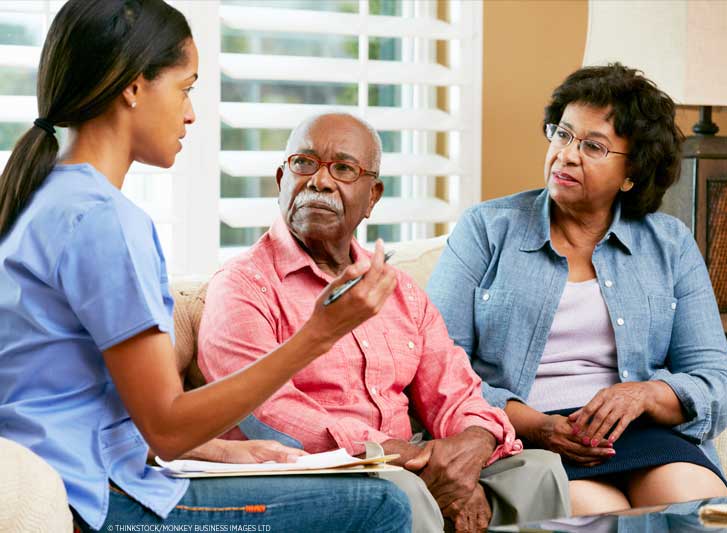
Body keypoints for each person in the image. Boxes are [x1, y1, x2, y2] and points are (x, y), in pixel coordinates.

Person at [0, 1, 412, 532]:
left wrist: (222, 451)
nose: (191, 113)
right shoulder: (104, 221)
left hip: (77, 474)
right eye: (186, 87)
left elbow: (92, 410)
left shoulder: (41, 197)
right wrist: (319, 334)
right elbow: (167, 426)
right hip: (97, 502)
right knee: (380, 505)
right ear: (133, 87)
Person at [197, 112, 571, 532]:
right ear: (280, 179)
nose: (320, 181)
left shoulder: (399, 290)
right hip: (310, 470)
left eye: (343, 168)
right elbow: (264, 411)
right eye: (304, 163)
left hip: (406, 459)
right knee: (400, 492)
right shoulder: (244, 285)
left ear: (372, 196)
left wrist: (472, 443)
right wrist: (389, 453)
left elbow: (455, 388)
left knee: (538, 470)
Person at [426, 63, 727, 516]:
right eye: (562, 135)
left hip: (641, 432)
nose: (566, 155)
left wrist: (645, 394)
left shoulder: (671, 243)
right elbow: (438, 368)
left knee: (695, 504)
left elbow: (713, 380)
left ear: (632, 174)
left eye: (593, 146)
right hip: (530, 438)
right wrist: (536, 425)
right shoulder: (485, 230)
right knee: (596, 512)